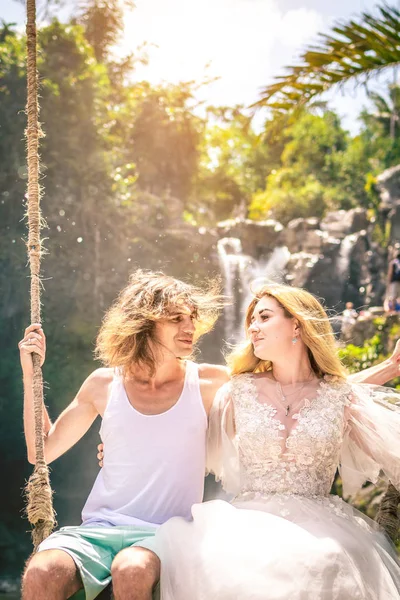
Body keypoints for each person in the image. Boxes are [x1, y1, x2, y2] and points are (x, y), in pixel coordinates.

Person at [154, 282, 400, 600]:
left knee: (323, 559)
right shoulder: (235, 390)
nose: (253, 328)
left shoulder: (341, 397)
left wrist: (390, 367)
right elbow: (178, 441)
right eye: (251, 321)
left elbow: (391, 452)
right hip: (245, 523)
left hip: (325, 526)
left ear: (296, 323)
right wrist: (122, 451)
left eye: (264, 317)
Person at [20, 270, 228, 600]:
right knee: (42, 571)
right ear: (144, 322)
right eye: (176, 318)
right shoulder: (103, 384)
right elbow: (41, 451)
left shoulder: (210, 383)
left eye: (192, 318)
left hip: (169, 533)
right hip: (99, 530)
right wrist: (31, 373)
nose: (189, 328)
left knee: (130, 570)